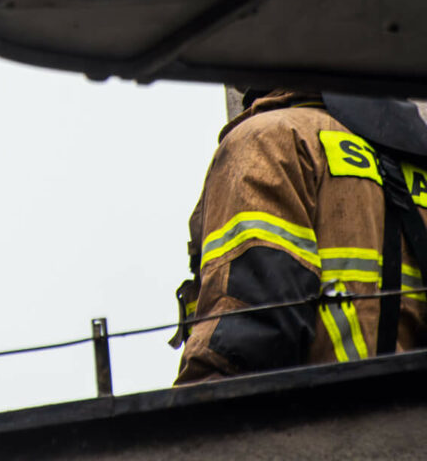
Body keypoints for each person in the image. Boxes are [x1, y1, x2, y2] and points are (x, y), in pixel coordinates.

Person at [173, 89, 427, 383]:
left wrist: (189, 419)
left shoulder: (271, 140)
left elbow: (248, 339)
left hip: (334, 418)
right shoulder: (410, 155)